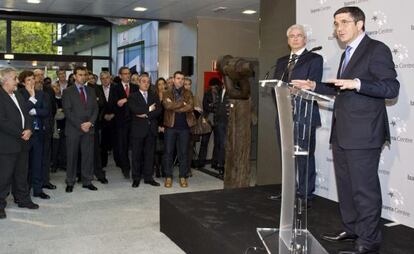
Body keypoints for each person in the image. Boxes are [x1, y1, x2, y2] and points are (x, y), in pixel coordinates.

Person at [292, 6, 400, 254]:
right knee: (347, 187)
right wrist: (314, 85)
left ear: (360, 24)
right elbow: (342, 89)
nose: (338, 28)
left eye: (343, 22)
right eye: (335, 23)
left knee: (364, 190)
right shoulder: (347, 54)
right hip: (342, 133)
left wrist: (358, 83)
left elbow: (390, 88)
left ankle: (369, 240)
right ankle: (352, 229)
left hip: (364, 135)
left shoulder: (376, 50)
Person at [273, 24, 323, 202]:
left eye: (299, 35)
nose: (295, 38)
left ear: (305, 39)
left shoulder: (314, 59)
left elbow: (313, 86)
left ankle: (305, 194)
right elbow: (276, 87)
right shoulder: (281, 61)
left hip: (304, 115)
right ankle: (289, 191)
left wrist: (296, 94)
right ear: (288, 40)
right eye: (291, 36)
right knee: (287, 155)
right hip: (284, 115)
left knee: (304, 156)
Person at [0, 68, 39, 219]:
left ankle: (23, 199)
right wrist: (21, 133)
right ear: (5, 80)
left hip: (23, 142)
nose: (17, 81)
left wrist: (28, 128)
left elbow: (26, 113)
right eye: (15, 78)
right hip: (7, 143)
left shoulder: (17, 94)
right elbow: (2, 122)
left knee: (21, 174)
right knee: (4, 176)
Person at [62, 66, 99, 193]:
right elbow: (67, 111)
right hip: (74, 129)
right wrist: (81, 125)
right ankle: (70, 181)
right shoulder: (68, 91)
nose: (83, 77)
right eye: (80, 74)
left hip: (89, 129)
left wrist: (90, 123)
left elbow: (95, 109)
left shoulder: (91, 91)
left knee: (88, 156)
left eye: (85, 74)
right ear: (74, 76)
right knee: (71, 156)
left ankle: (87, 181)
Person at [19, 71, 51, 200]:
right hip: (24, 135)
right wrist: (30, 107)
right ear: (22, 82)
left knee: (38, 163)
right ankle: (23, 191)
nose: (32, 82)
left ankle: (38, 190)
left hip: (37, 133)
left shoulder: (41, 93)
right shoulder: (19, 94)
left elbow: (46, 111)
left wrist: (34, 110)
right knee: (24, 165)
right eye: (28, 80)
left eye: (33, 79)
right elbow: (21, 111)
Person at [162, 71, 196, 188]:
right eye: (178, 78)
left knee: (183, 153)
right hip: (170, 127)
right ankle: (168, 177)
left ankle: (183, 176)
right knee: (168, 152)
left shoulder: (188, 93)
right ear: (173, 79)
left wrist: (175, 106)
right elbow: (167, 106)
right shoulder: (166, 93)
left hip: (184, 128)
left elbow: (190, 107)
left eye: (182, 79)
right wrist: (182, 103)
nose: (180, 81)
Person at [128, 75, 161, 187]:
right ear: (139, 83)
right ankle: (136, 178)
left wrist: (145, 114)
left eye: (148, 82)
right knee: (136, 155)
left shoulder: (154, 95)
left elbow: (159, 110)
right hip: (138, 130)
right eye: (143, 81)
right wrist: (149, 109)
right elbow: (134, 110)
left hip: (151, 129)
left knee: (149, 155)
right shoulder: (133, 96)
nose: (146, 84)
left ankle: (148, 177)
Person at [112, 67, 139, 179]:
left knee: (135, 146)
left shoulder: (135, 87)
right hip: (121, 122)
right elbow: (114, 104)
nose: (127, 76)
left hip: (135, 121)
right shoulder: (115, 88)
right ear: (120, 75)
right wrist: (120, 102)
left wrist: (126, 100)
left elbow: (138, 101)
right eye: (125, 74)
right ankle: (126, 169)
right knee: (122, 146)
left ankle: (137, 168)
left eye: (129, 74)